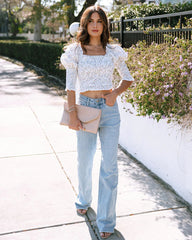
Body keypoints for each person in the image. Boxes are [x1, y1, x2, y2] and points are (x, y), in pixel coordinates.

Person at [60, 5, 134, 239]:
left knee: (109, 167)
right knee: (85, 160)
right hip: (85, 108)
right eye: (91, 20)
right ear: (85, 24)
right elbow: (71, 85)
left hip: (110, 112)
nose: (95, 24)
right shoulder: (76, 51)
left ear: (104, 25)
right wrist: (72, 113)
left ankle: (106, 220)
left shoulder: (113, 51)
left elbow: (127, 78)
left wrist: (114, 94)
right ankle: (83, 198)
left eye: (99, 21)